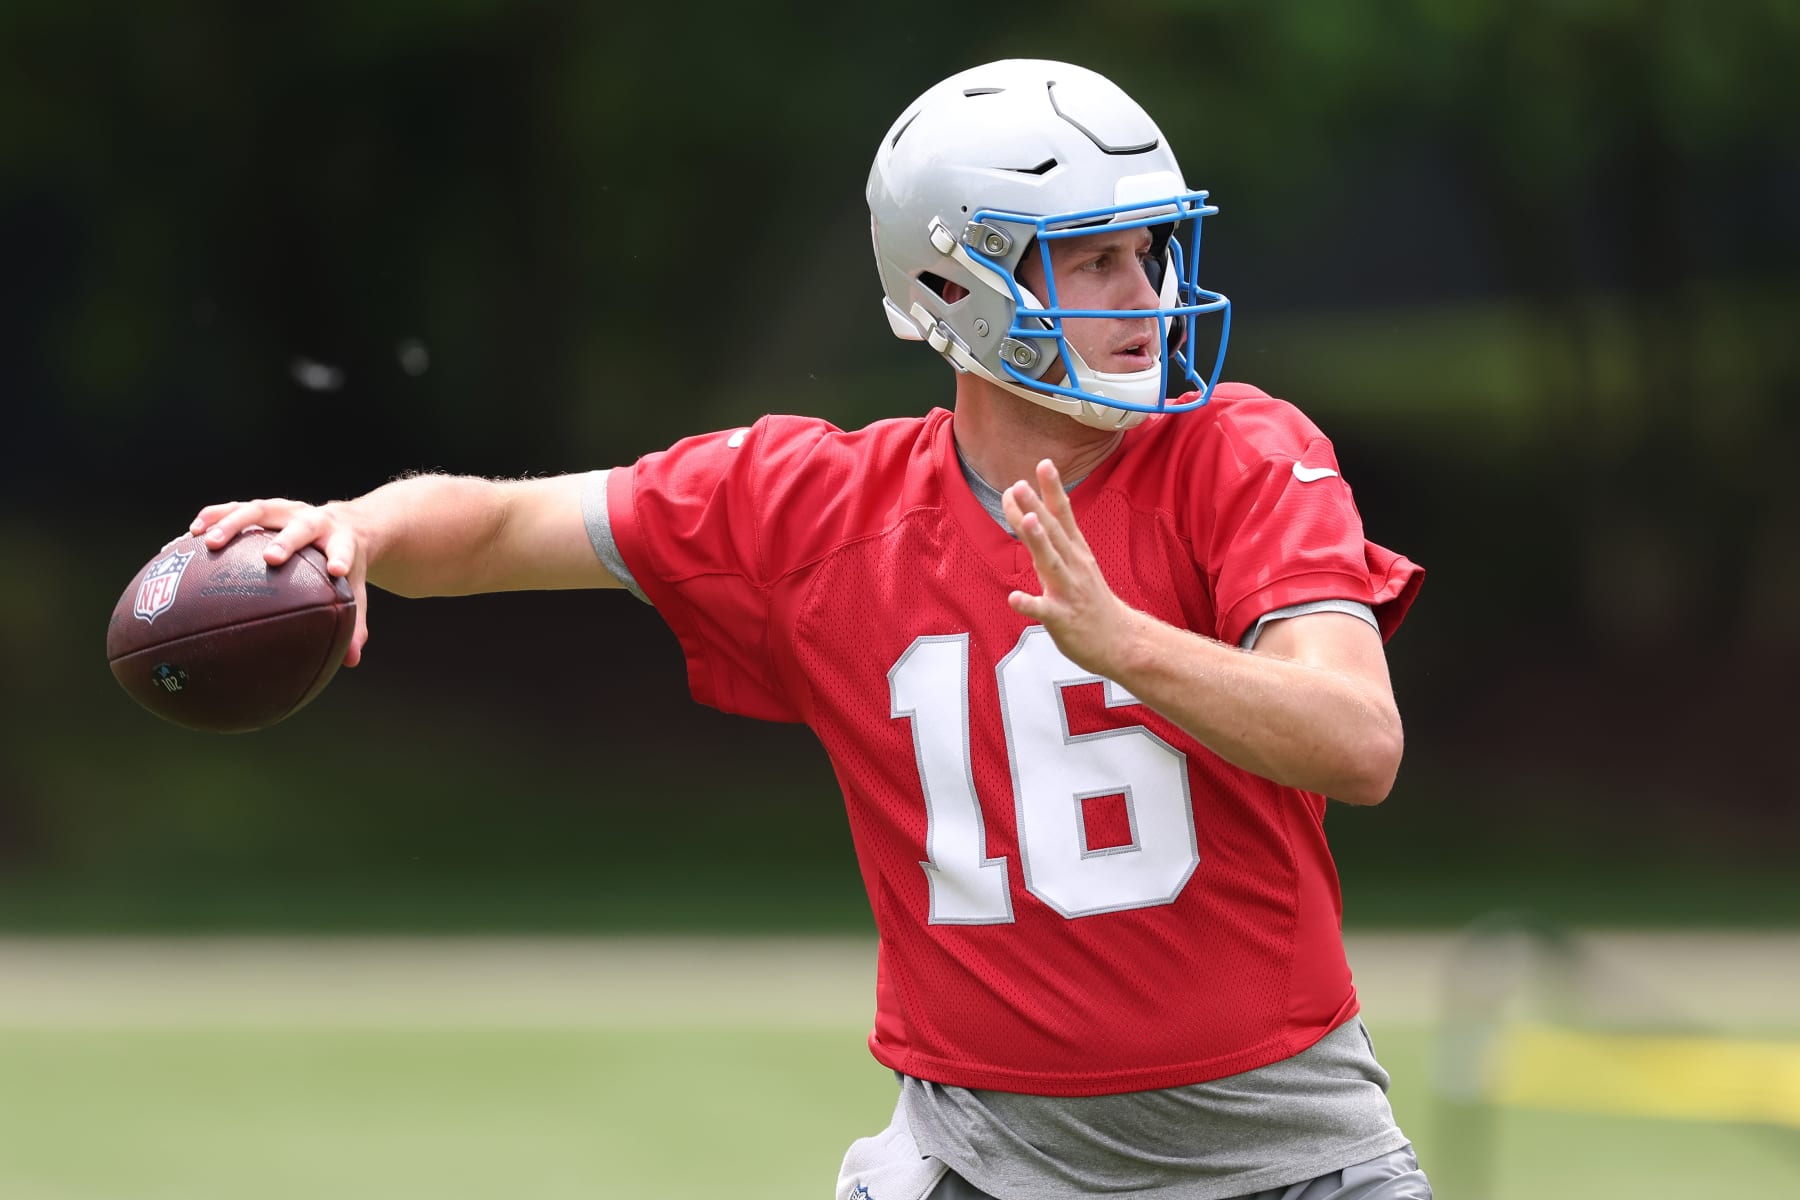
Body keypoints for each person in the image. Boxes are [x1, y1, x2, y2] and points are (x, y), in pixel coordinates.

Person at [190, 59, 1429, 1200]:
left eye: (1150, 253)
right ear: (959, 286)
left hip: (1284, 1152)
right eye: (1092, 259)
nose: (1145, 296)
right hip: (985, 1160)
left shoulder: (1243, 452)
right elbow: (510, 527)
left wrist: (1129, 644)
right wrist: (352, 528)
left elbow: (1359, 741)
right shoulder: (816, 505)